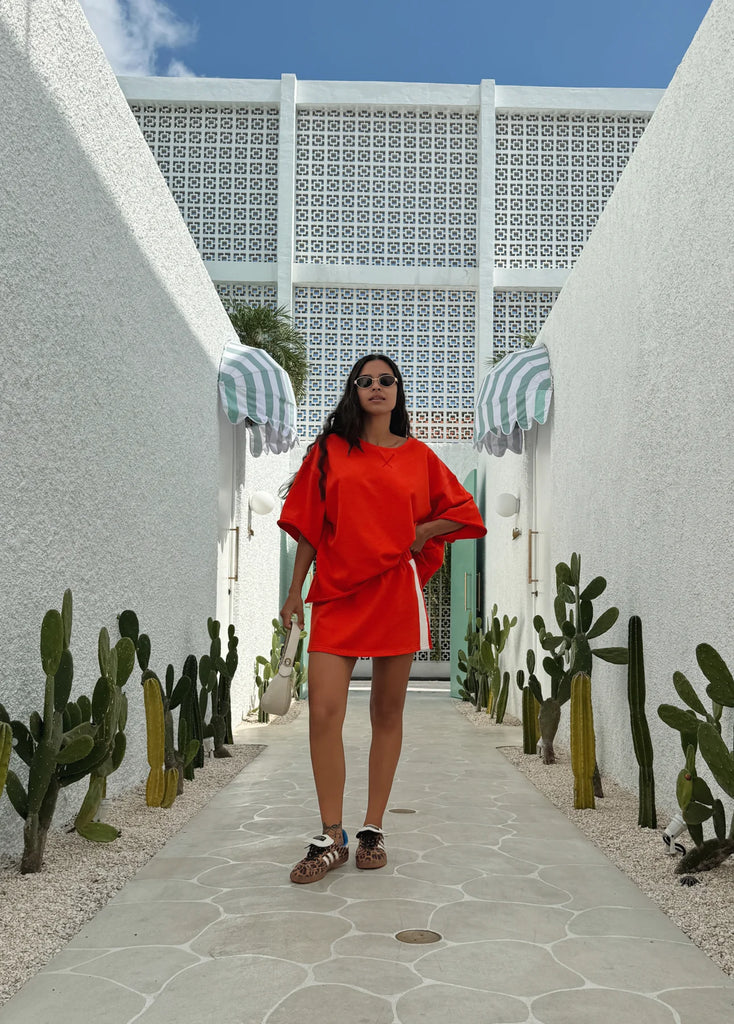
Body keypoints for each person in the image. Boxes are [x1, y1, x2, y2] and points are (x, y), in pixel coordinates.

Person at [278, 353, 485, 883]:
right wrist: (295, 590)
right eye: (365, 380)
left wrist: (423, 531)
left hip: (395, 592)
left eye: (386, 380)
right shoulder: (328, 451)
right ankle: (332, 835)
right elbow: (309, 526)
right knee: (323, 711)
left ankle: (373, 828)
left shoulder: (420, 457)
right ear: (354, 390)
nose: (376, 387)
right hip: (337, 594)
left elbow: (464, 513)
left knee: (387, 713)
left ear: (397, 391)